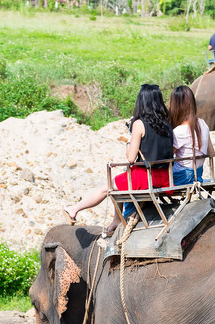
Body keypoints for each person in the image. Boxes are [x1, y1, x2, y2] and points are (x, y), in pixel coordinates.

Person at [63, 84, 173, 230]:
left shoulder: (139, 124)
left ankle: (74, 209)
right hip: (166, 177)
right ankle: (116, 220)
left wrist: (129, 138)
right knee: (121, 180)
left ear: (141, 101)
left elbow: (131, 158)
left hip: (146, 178)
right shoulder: (167, 124)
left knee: (107, 188)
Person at [169, 85, 212, 185]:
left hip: (180, 177)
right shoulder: (203, 124)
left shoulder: (179, 131)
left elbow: (167, 157)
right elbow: (212, 152)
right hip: (198, 174)